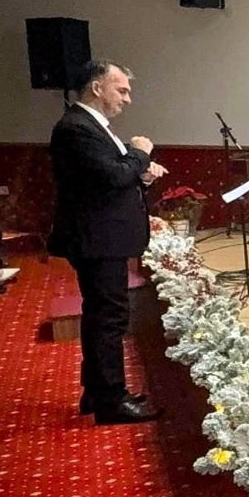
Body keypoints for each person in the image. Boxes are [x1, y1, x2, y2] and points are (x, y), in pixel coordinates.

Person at [47, 60, 164, 424]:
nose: (128, 99)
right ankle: (111, 401)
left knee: (101, 315)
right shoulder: (76, 128)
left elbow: (106, 180)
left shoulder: (92, 127)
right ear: (97, 88)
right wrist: (141, 153)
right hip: (98, 238)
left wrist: (141, 175)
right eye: (122, 90)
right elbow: (113, 177)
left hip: (103, 235)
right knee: (109, 318)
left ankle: (96, 391)